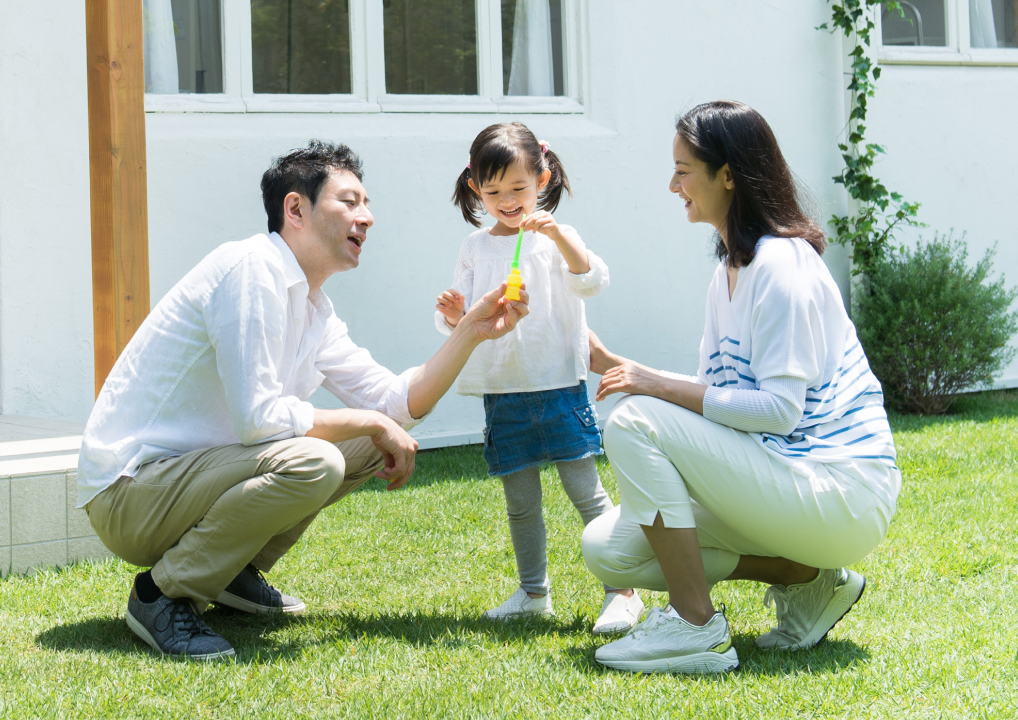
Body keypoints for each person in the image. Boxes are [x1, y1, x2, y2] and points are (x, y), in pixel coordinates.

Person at [77, 140, 529, 661]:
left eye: (366, 204)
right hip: (129, 492)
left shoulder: (314, 305)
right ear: (296, 209)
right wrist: (367, 421)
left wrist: (470, 331)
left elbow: (393, 402)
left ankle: (229, 572)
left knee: (369, 436)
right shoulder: (250, 269)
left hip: (188, 482)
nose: (369, 218)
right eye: (351, 202)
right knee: (316, 458)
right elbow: (258, 419)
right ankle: (162, 594)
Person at [582, 101, 902, 674]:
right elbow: (718, 401)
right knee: (609, 550)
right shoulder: (728, 270)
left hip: (840, 488)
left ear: (727, 174)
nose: (672, 184)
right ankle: (805, 578)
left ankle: (694, 627)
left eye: (683, 170)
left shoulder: (782, 265)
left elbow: (778, 411)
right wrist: (620, 365)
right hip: (785, 476)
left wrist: (651, 385)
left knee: (632, 418)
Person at [435, 122, 641, 634]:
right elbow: (460, 319)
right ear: (475, 189)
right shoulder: (475, 247)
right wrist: (453, 310)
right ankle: (533, 593)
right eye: (493, 191)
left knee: (587, 494)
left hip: (559, 387)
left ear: (543, 179)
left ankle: (623, 591)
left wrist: (561, 237)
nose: (506, 200)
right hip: (503, 394)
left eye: (518, 188)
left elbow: (591, 281)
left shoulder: (555, 239)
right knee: (521, 505)